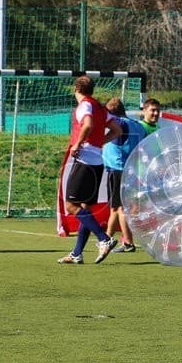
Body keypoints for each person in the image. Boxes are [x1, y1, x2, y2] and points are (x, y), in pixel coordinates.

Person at [57, 76, 122, 264]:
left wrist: (79, 143)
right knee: (85, 206)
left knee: (71, 205)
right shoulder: (100, 107)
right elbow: (116, 130)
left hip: (84, 160)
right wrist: (99, 142)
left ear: (75, 88)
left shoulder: (85, 105)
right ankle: (77, 253)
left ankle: (104, 238)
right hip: (98, 161)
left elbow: (88, 124)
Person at [103, 97, 148, 254]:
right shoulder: (139, 126)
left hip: (118, 169)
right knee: (116, 208)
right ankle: (107, 239)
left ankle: (126, 242)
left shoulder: (120, 123)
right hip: (131, 170)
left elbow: (110, 121)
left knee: (120, 208)